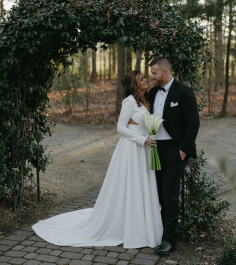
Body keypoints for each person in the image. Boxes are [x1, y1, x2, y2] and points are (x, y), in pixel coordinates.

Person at [32, 71, 163, 249]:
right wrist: (142, 140)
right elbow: (120, 128)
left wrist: (150, 138)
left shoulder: (147, 99)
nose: (146, 79)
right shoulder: (129, 102)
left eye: (145, 77)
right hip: (133, 149)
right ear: (134, 83)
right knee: (131, 186)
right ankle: (129, 226)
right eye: (141, 79)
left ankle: (145, 222)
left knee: (143, 186)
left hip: (146, 149)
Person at [148, 57, 200, 255]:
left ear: (166, 73)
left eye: (154, 73)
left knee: (170, 195)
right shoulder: (153, 93)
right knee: (159, 194)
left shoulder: (184, 92)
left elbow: (193, 123)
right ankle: (160, 232)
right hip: (155, 149)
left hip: (175, 150)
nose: (152, 76)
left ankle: (170, 240)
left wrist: (183, 149)